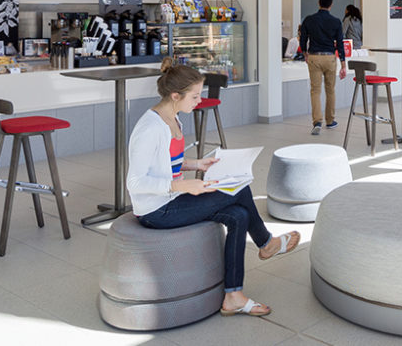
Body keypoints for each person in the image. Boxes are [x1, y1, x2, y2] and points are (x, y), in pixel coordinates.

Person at [127, 59, 300, 316]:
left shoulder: (173, 117)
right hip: (156, 211)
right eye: (195, 96)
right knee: (240, 189)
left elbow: (166, 163)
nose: (199, 101)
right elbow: (136, 182)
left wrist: (197, 163)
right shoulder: (150, 128)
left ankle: (234, 296)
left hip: (172, 198)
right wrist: (183, 186)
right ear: (175, 95)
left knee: (240, 215)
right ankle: (265, 243)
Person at [300, 0, 347, 135]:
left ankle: (317, 121)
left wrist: (305, 53)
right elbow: (340, 43)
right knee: (330, 90)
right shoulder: (336, 21)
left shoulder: (309, 20)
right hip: (330, 58)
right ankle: (330, 120)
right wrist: (343, 64)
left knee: (315, 90)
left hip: (314, 57)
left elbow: (303, 40)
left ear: (318, 3)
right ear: (331, 5)